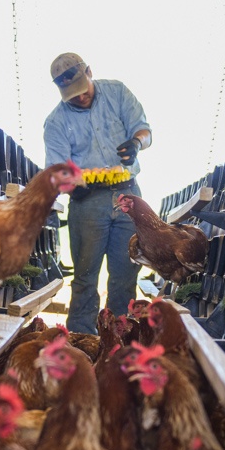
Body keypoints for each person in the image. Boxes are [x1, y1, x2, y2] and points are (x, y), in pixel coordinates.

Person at [43, 52, 152, 335]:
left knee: (126, 274)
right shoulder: (55, 122)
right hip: (87, 202)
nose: (78, 97)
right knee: (85, 277)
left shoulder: (116, 92)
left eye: (81, 90)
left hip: (128, 194)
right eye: (71, 95)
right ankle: (82, 338)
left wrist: (136, 144)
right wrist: (72, 185)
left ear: (89, 71)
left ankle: (119, 338)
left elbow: (144, 129)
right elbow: (56, 170)